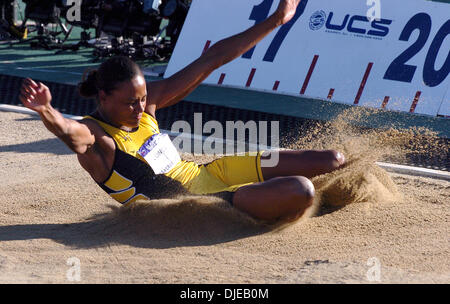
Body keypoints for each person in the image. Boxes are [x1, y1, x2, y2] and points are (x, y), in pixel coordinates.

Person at [19, 0, 345, 223]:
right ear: (103, 97)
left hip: (211, 173)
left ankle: (296, 199)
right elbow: (68, 132)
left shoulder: (146, 105)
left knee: (332, 160)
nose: (139, 107)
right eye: (131, 102)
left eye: (143, 97)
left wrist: (276, 20)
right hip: (198, 205)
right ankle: (285, 203)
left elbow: (212, 59)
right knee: (300, 189)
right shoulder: (98, 138)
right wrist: (46, 110)